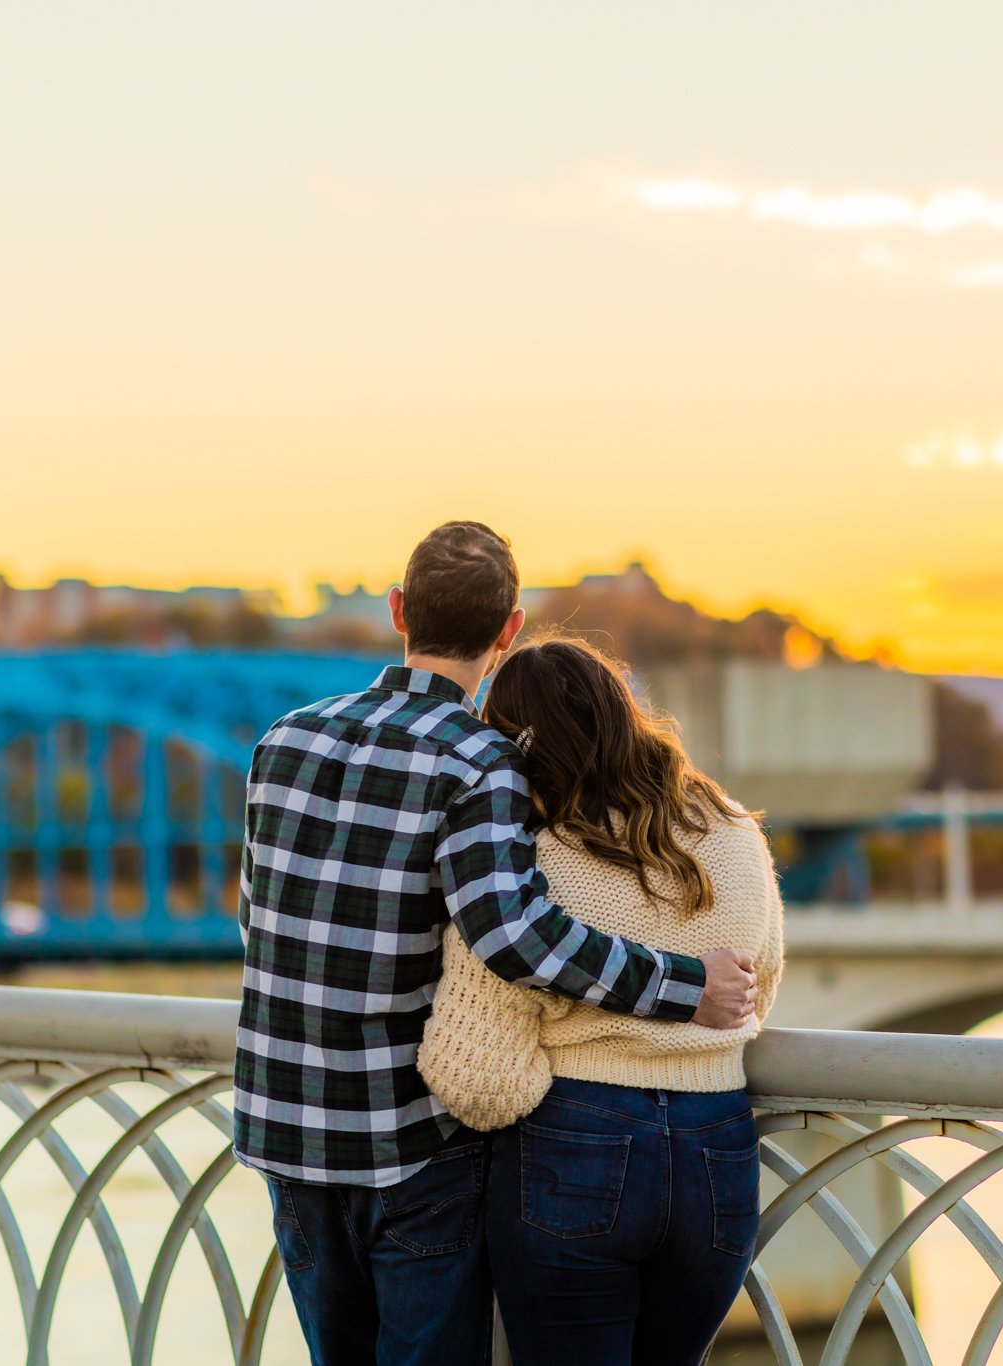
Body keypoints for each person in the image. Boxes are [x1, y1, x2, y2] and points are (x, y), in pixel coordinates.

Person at [232, 523, 758, 1366]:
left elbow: (262, 921)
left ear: (400, 610)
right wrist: (685, 987)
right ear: (509, 629)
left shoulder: (283, 740)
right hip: (410, 1145)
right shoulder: (480, 761)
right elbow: (514, 935)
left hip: (286, 1132)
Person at [418, 636, 786, 1366]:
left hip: (575, 1144)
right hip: (719, 1146)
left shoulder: (531, 862)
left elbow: (478, 1079)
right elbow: (757, 990)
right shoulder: (736, 832)